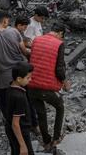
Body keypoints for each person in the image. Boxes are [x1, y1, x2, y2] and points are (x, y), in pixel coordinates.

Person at [27, 22, 70, 151]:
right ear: (60, 33)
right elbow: (60, 69)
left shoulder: (36, 40)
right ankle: (56, 139)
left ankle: (46, 141)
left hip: (30, 83)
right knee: (60, 107)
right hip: (46, 87)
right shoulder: (59, 44)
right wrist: (65, 82)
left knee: (41, 113)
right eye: (62, 36)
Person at [5, 62, 35, 155]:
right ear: (18, 79)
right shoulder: (19, 97)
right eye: (28, 78)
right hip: (20, 132)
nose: (30, 80)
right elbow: (15, 124)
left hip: (10, 129)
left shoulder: (10, 87)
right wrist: (22, 145)